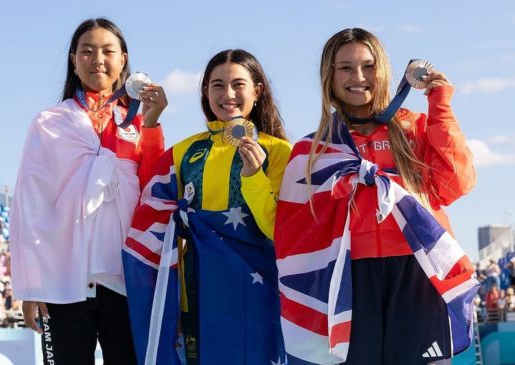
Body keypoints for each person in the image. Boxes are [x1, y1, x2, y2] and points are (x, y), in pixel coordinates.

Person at [275, 28, 478, 365]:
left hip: (417, 271)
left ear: (382, 70)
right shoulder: (312, 150)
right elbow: (292, 234)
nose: (359, 77)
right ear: (329, 75)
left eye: (368, 66)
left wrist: (440, 104)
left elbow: (456, 183)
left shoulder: (413, 127)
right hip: (351, 280)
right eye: (346, 68)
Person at [10, 18, 167, 365]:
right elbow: (31, 205)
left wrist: (153, 125)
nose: (98, 58)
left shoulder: (141, 121)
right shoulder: (50, 122)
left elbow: (154, 190)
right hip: (63, 279)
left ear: (123, 59)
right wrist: (32, 287)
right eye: (88, 51)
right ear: (73, 59)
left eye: (108, 51)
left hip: (125, 276)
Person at [123, 49, 291, 365]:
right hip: (199, 296)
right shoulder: (186, 151)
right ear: (205, 91)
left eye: (238, 84)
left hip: (258, 295)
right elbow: (149, 199)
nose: (228, 94)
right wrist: (150, 124)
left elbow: (279, 230)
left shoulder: (279, 151)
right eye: (217, 85)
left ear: (257, 90)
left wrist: (254, 178)